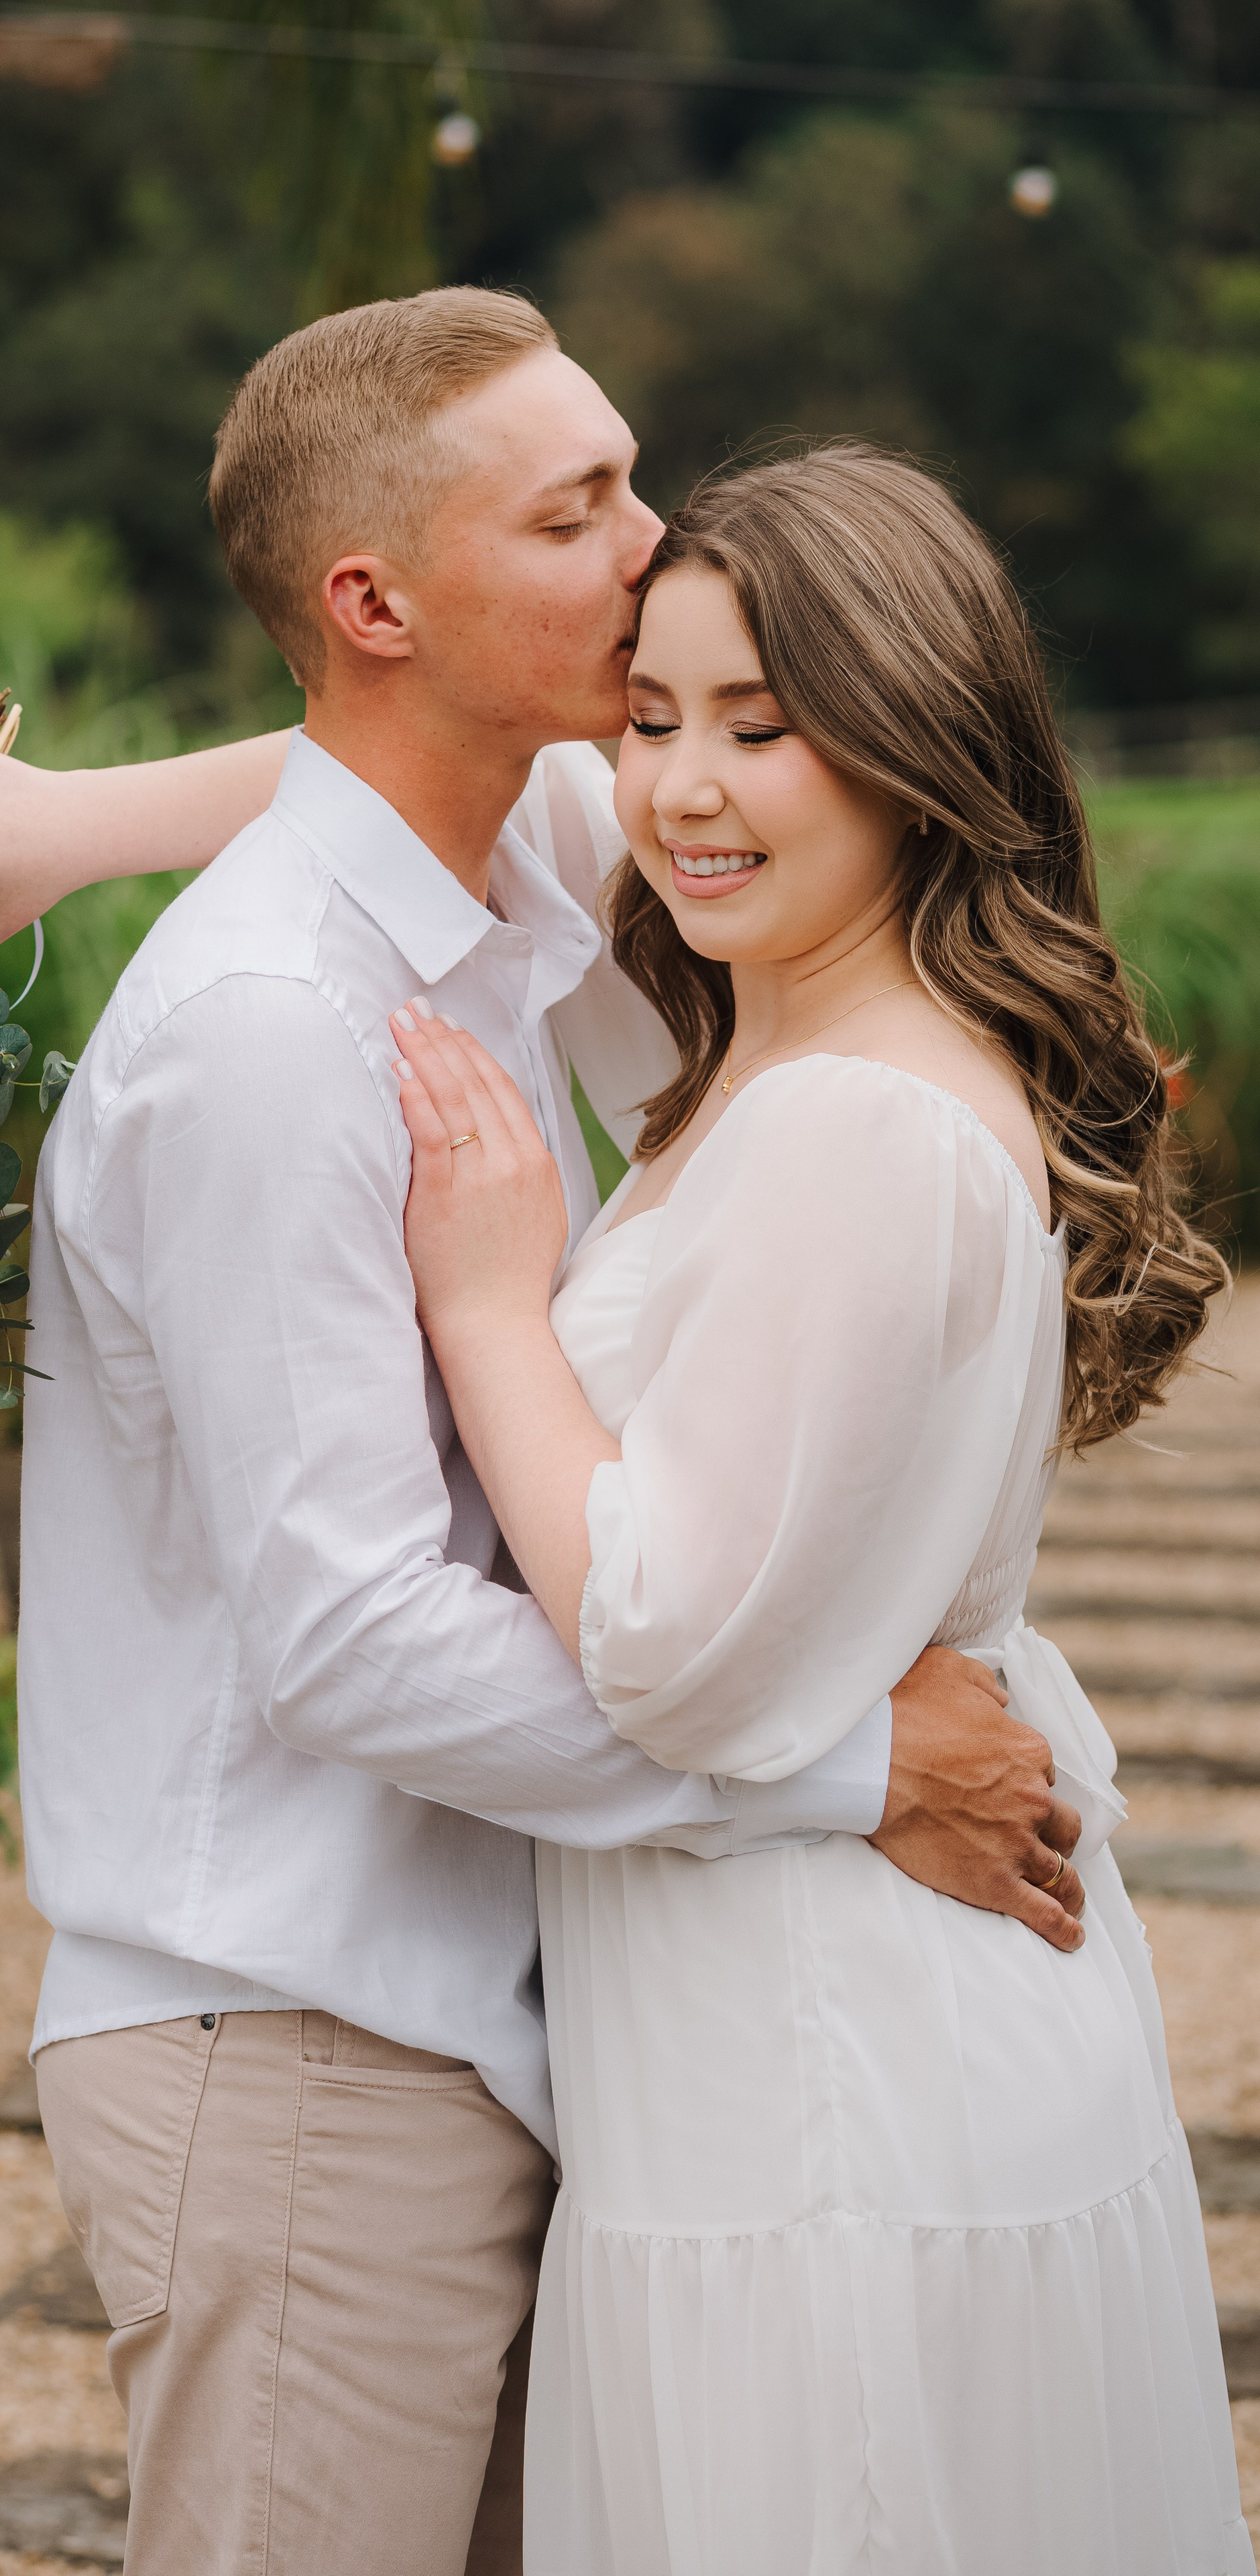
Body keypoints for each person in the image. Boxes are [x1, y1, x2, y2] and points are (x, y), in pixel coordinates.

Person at [0, 293, 1092, 2576]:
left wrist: (72, 818)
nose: (652, 541)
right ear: (379, 600)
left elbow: (378, 771)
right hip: (301, 2042)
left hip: (510, 2018)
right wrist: (853, 1767)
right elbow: (347, 1640)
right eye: (578, 507)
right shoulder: (271, 1035)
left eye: (633, 474)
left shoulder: (528, 892)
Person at [381, 445, 1245, 2572]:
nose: (683, 786)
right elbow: (427, 795)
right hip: (805, 2033)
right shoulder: (791, 1042)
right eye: (653, 713)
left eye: (765, 728)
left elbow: (664, 1635)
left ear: (918, 743)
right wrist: (58, 834)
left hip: (835, 2077)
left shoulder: (858, 1118)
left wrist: (493, 1313)